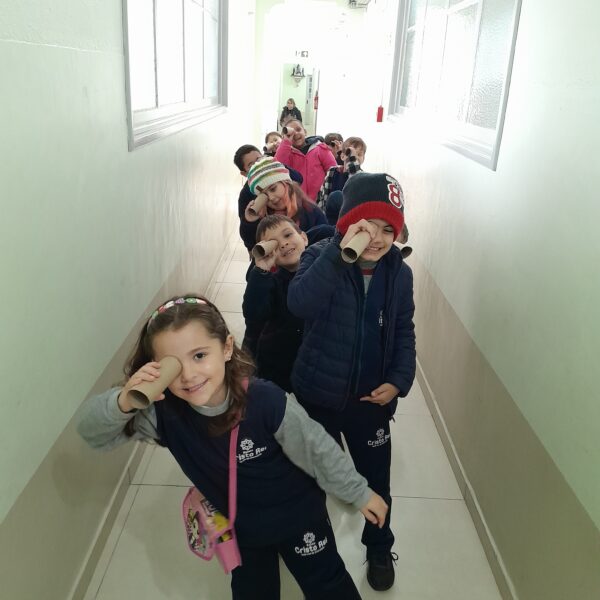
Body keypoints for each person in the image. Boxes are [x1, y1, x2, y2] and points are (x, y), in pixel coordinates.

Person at [78, 295, 388, 600]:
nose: (189, 375)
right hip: (241, 527)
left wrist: (358, 492)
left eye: (200, 355)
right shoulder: (164, 414)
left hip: (299, 518)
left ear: (226, 348)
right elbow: (93, 434)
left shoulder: (265, 402)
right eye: (172, 365)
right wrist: (123, 401)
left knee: (327, 584)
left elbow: (317, 449)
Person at [287, 173, 417, 592]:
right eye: (366, 226)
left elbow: (404, 329)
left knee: (377, 480)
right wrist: (337, 255)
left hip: (370, 402)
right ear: (346, 224)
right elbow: (299, 303)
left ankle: (379, 546)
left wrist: (398, 380)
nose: (376, 239)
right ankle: (317, 549)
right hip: (318, 395)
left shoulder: (399, 273)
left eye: (387, 230)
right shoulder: (320, 255)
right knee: (313, 478)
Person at [242, 215, 308, 392]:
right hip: (279, 367)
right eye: (274, 244)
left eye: (288, 235)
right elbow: (253, 313)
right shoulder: (271, 283)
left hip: (313, 365)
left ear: (304, 237)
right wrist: (261, 270)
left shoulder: (320, 274)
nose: (284, 244)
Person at [241, 156, 327, 251]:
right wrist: (250, 222)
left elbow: (325, 243)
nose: (271, 198)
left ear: (286, 183)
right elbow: (251, 245)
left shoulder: (310, 211)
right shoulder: (263, 217)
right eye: (264, 196)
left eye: (273, 189)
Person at [233, 145, 303, 253]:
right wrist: (250, 221)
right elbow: (248, 235)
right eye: (251, 165)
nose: (258, 164)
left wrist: (276, 165)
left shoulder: (303, 207)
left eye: (259, 159)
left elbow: (298, 178)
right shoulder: (245, 195)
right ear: (244, 173)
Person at [275, 119, 337, 202]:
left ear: (305, 132)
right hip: (298, 202)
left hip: (321, 200)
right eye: (291, 133)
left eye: (298, 129)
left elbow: (333, 171)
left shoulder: (320, 149)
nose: (295, 133)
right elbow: (278, 167)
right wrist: (285, 141)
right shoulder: (287, 153)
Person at [316, 136, 367, 225]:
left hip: (349, 221)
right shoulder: (332, 171)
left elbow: (355, 176)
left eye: (359, 154)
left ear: (363, 158)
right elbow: (322, 195)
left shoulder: (361, 176)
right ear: (342, 156)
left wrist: (351, 159)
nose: (355, 157)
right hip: (330, 218)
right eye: (350, 153)